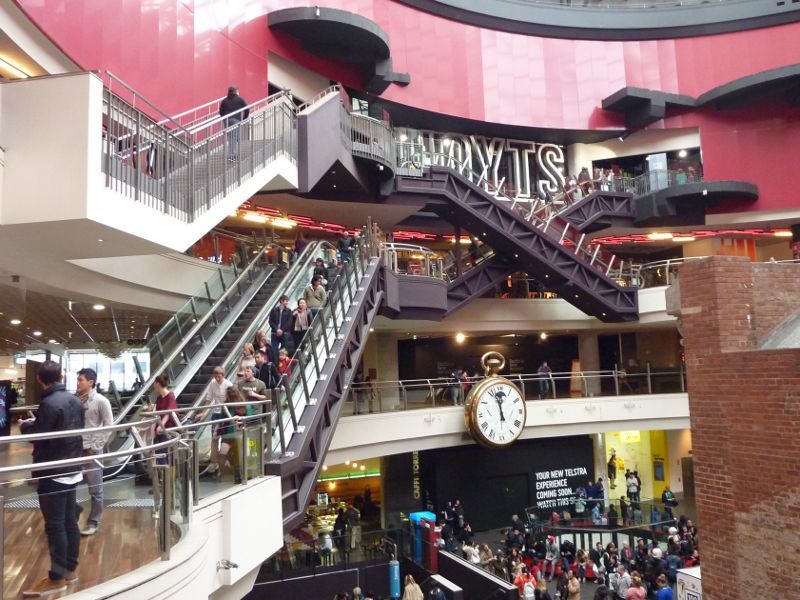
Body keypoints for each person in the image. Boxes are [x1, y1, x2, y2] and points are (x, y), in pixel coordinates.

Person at [20, 360, 85, 597]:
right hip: (72, 468)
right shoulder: (75, 400)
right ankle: (70, 572)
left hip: (53, 474)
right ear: (61, 376)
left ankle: (56, 579)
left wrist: (25, 427)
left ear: (40, 379)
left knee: (55, 526)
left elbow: (40, 436)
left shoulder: (48, 403)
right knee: (69, 522)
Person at [75, 368, 113, 537]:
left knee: (95, 489)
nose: (78, 382)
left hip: (92, 450)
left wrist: (96, 445)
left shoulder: (101, 401)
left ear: (90, 382)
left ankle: (93, 521)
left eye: (81, 380)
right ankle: (75, 510)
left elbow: (109, 426)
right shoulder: (75, 401)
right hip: (75, 449)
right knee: (69, 484)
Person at [203, 366, 233, 475]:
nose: (217, 379)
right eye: (215, 376)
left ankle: (225, 461)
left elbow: (232, 399)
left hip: (225, 414)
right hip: (216, 413)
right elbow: (208, 398)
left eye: (219, 376)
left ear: (223, 376)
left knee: (225, 438)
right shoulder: (212, 383)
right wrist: (203, 412)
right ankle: (214, 461)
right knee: (214, 437)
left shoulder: (228, 384)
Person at [219, 85, 249, 159]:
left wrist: (224, 118)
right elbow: (247, 109)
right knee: (234, 137)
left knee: (233, 136)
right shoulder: (240, 99)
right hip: (235, 119)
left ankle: (234, 150)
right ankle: (232, 155)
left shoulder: (225, 100)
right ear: (236, 91)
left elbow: (220, 111)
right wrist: (244, 118)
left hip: (227, 120)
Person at [151, 374, 177, 447]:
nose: (153, 386)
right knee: (158, 450)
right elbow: (157, 413)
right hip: (160, 428)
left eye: (154, 383)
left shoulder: (170, 395)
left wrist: (161, 426)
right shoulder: (159, 398)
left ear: (158, 384)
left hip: (168, 428)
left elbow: (169, 413)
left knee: (162, 450)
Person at [268, 295, 293, 359]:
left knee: (284, 350)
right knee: (274, 350)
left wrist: (282, 330)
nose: (287, 303)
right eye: (286, 301)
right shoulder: (274, 310)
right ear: (281, 301)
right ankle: (276, 364)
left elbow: (289, 322)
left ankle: (283, 364)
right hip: (274, 333)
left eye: (287, 301)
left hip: (284, 333)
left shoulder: (288, 311)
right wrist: (276, 329)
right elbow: (271, 321)